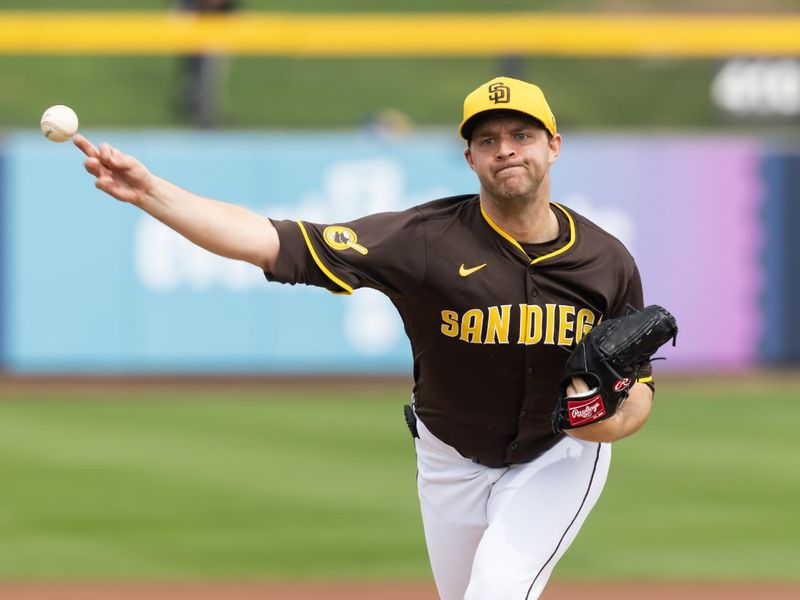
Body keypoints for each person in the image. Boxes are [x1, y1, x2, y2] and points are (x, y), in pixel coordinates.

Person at [73, 76, 655, 600]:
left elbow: (641, 386)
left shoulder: (606, 260)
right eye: (487, 139)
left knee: (498, 589)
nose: (505, 148)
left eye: (522, 134)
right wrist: (150, 192)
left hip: (556, 456)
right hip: (449, 455)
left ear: (553, 145)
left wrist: (606, 422)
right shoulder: (423, 241)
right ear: (470, 158)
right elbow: (269, 241)